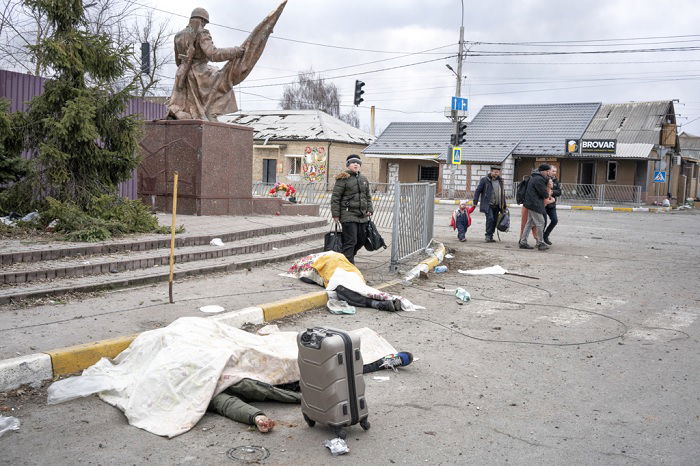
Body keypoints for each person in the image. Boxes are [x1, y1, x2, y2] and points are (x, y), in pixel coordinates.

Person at [208, 353, 414, 432]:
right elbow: (227, 404)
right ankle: (382, 362)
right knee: (335, 373)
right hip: (283, 384)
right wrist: (256, 417)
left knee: (326, 359)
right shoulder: (207, 391)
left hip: (264, 364)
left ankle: (378, 357)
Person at [167, 3, 287, 120]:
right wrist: (235, 51)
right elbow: (213, 54)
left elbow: (178, 61)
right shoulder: (202, 33)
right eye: (204, 22)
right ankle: (211, 113)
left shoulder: (178, 36)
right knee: (226, 83)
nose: (204, 25)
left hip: (183, 75)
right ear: (202, 20)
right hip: (200, 75)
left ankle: (208, 114)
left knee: (218, 77)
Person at [331, 154, 374, 264]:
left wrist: (370, 209)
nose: (356, 164)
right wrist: (335, 215)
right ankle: (348, 265)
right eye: (353, 162)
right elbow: (336, 198)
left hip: (362, 215)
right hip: (348, 214)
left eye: (358, 163)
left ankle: (346, 256)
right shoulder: (343, 178)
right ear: (348, 165)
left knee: (362, 240)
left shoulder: (364, 179)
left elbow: (367, 196)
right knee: (351, 240)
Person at [519, 164, 552, 251]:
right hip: (535, 204)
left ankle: (523, 242)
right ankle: (540, 243)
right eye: (548, 171)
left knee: (529, 223)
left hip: (530, 203)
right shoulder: (539, 179)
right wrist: (549, 186)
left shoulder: (535, 177)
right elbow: (544, 194)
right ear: (543, 171)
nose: (549, 173)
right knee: (541, 222)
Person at [473, 166, 506, 243]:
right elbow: (478, 191)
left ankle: (491, 236)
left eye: (498, 172)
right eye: (495, 172)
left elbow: (502, 193)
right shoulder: (485, 180)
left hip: (497, 205)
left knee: (494, 220)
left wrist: (504, 205)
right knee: (490, 219)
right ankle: (488, 236)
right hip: (488, 204)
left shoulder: (500, 181)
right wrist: (475, 201)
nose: (496, 173)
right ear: (491, 171)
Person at [543, 166, 561, 245]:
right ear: (549, 171)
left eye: (555, 171)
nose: (554, 173)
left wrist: (552, 192)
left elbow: (559, 192)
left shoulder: (556, 181)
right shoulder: (544, 179)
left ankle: (545, 235)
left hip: (552, 205)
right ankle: (539, 239)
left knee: (554, 220)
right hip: (543, 204)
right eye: (553, 171)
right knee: (543, 222)